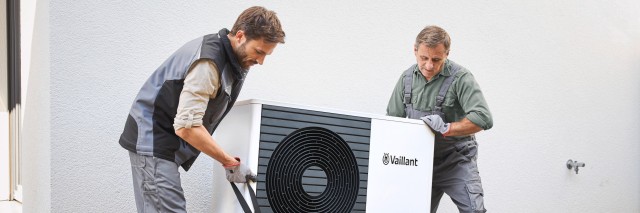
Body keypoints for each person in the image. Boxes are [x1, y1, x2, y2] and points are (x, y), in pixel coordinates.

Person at [118, 6, 285, 212]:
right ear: (240, 36)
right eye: (259, 52)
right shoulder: (209, 63)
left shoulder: (232, 60)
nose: (261, 61)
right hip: (153, 139)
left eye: (266, 55)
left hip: (164, 142)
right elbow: (187, 127)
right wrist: (228, 162)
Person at [386, 25, 492, 213]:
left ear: (447, 53)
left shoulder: (461, 78)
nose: (429, 65)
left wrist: (447, 128)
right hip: (419, 162)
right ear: (415, 50)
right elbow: (392, 122)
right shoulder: (407, 79)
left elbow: (483, 118)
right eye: (423, 58)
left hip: (456, 161)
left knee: (474, 210)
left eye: (436, 59)